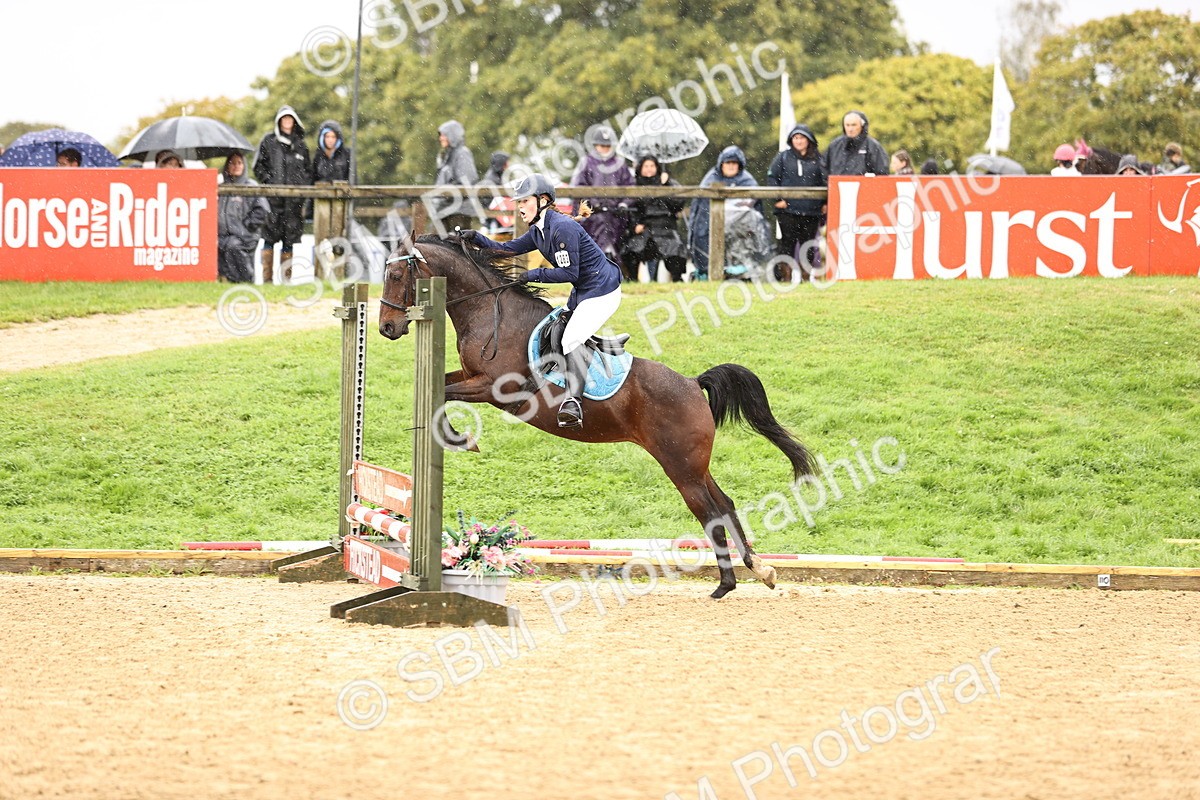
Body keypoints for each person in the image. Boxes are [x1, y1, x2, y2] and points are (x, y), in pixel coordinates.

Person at [462, 174, 622, 429]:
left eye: (524, 201)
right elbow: (509, 248)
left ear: (543, 200)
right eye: (519, 202)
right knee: (557, 330)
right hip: (584, 290)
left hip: (603, 291)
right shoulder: (539, 230)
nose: (519, 207)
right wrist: (477, 239)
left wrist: (532, 274)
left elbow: (569, 273)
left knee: (570, 339)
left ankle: (574, 402)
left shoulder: (562, 227)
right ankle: (603, 346)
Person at [687, 145, 771, 281]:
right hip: (713, 228)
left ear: (739, 165)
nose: (731, 166)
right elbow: (700, 212)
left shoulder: (748, 181)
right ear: (722, 164)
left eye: (734, 163)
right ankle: (710, 271)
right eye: (728, 163)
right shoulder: (710, 180)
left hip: (741, 231)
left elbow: (756, 210)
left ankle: (743, 271)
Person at [254, 105, 311, 284]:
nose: (287, 122)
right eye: (284, 119)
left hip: (294, 205)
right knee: (268, 240)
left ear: (294, 121)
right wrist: (270, 183)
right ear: (279, 121)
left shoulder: (301, 146)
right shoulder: (268, 141)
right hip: (272, 202)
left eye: (290, 118)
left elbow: (307, 172)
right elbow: (258, 166)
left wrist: (300, 190)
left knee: (289, 243)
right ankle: (267, 280)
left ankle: (286, 281)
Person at [572, 126, 635, 280]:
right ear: (595, 146)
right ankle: (593, 277)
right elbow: (578, 188)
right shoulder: (586, 162)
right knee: (593, 246)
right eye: (602, 145)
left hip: (615, 215)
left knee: (617, 247)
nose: (605, 149)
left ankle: (617, 278)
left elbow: (630, 187)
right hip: (593, 216)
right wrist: (590, 203)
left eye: (608, 146)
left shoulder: (620, 164)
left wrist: (623, 204)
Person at [767, 124, 826, 282]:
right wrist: (778, 199)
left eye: (802, 138)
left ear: (809, 140)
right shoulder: (783, 157)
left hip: (811, 211)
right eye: (796, 138)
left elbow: (825, 181)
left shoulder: (818, 159)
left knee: (808, 245)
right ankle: (786, 278)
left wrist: (824, 201)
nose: (798, 141)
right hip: (788, 211)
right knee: (787, 244)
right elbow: (772, 178)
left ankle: (805, 277)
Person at [619, 154, 687, 282]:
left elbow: (678, 203)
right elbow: (630, 209)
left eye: (652, 166)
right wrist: (634, 226)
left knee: (675, 250)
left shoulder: (667, 182)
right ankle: (632, 280)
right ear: (640, 168)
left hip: (666, 229)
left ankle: (677, 279)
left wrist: (667, 183)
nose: (649, 169)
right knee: (630, 250)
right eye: (646, 166)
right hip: (645, 228)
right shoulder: (634, 185)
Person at [217, 153, 270, 283]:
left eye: (239, 163)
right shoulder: (222, 187)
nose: (236, 166)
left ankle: (245, 282)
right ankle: (226, 282)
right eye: (232, 163)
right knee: (221, 247)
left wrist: (247, 227)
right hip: (225, 236)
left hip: (245, 236)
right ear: (227, 166)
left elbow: (262, 210)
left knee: (233, 247)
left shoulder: (251, 186)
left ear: (244, 166)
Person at [433, 120, 478, 232]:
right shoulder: (448, 155)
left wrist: (447, 194)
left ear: (452, 135)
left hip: (459, 210)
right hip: (446, 209)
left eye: (443, 135)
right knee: (436, 243)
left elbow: (467, 180)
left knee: (457, 246)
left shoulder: (462, 153)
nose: (441, 138)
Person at [824, 110, 890, 176]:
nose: (850, 129)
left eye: (854, 125)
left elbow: (882, 172)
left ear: (862, 126)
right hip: (837, 185)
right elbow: (824, 168)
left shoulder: (873, 146)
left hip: (865, 186)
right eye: (847, 125)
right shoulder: (835, 146)